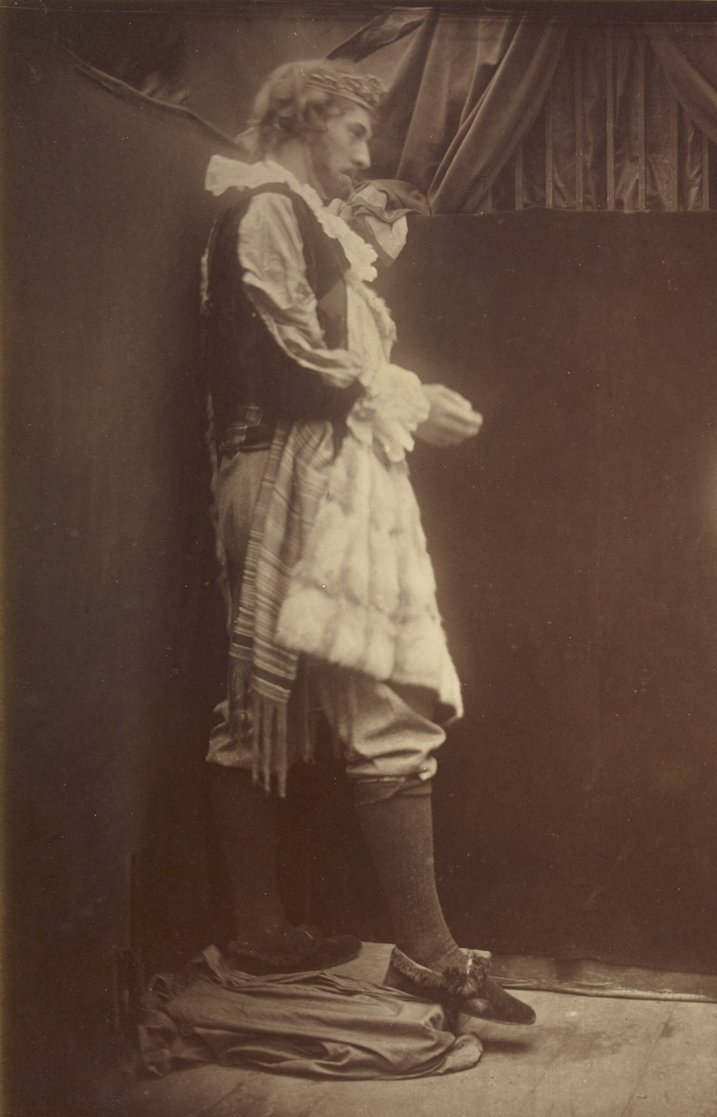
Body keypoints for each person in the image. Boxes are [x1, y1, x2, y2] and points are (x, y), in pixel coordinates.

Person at [201, 59, 535, 1026]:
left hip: (320, 471)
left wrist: (401, 397)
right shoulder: (264, 206)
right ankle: (422, 957)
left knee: (305, 696)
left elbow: (324, 359)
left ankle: (271, 932)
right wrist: (409, 398)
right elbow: (289, 363)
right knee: (357, 690)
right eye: (352, 133)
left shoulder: (304, 216)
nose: (363, 154)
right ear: (303, 121)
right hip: (284, 471)